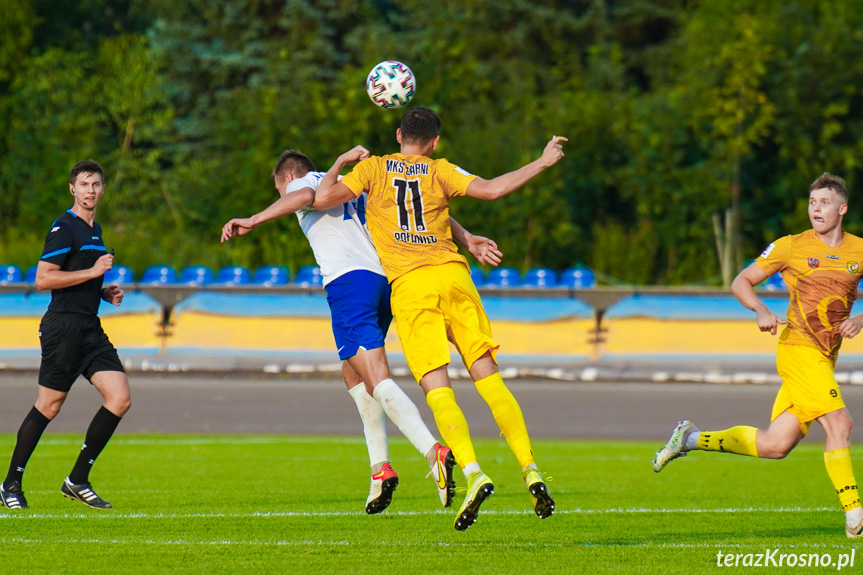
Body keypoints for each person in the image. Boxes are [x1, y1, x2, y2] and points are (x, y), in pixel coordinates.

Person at [314, 107, 567, 531]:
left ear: (398, 135)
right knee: (487, 375)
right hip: (453, 276)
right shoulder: (441, 171)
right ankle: (530, 469)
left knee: (437, 387)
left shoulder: (372, 170)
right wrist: (541, 162)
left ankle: (473, 472)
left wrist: (341, 163)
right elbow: (491, 190)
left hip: (411, 288)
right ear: (434, 143)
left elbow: (322, 198)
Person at [221, 149, 503, 513]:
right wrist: (466, 238)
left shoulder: (309, 183)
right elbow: (416, 208)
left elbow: (305, 196)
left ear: (287, 178)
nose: (284, 200)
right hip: (383, 282)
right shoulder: (362, 186)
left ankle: (433, 450)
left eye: (280, 191)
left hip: (349, 281)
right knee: (353, 374)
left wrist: (255, 219)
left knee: (376, 375)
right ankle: (379, 470)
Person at [653, 173, 863, 538]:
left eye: (824, 203)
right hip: (798, 350)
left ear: (842, 209)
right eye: (812, 202)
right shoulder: (790, 246)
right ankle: (855, 517)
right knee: (840, 424)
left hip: (824, 358)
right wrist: (761, 310)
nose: (816, 208)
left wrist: (860, 317)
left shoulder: (858, 250)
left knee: (775, 445)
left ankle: (689, 438)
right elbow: (741, 281)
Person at [0, 161, 130, 511]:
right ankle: (10, 483)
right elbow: (44, 279)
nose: (91, 190)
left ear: (103, 189)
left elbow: (79, 277)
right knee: (49, 405)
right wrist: (92, 271)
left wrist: (103, 291)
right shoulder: (64, 227)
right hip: (64, 327)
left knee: (119, 398)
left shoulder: (95, 230)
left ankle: (77, 480)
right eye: (84, 184)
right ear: (72, 189)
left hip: (90, 326)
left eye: (97, 184)